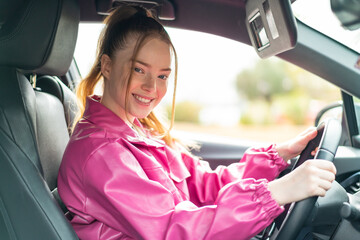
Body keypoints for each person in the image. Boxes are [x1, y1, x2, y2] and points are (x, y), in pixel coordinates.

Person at [58, 5, 337, 240]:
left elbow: (202, 185)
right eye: (138, 69)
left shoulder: (136, 133)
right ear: (107, 66)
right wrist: (275, 193)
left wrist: (277, 156)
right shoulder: (101, 154)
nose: (151, 88)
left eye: (163, 76)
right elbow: (172, 229)